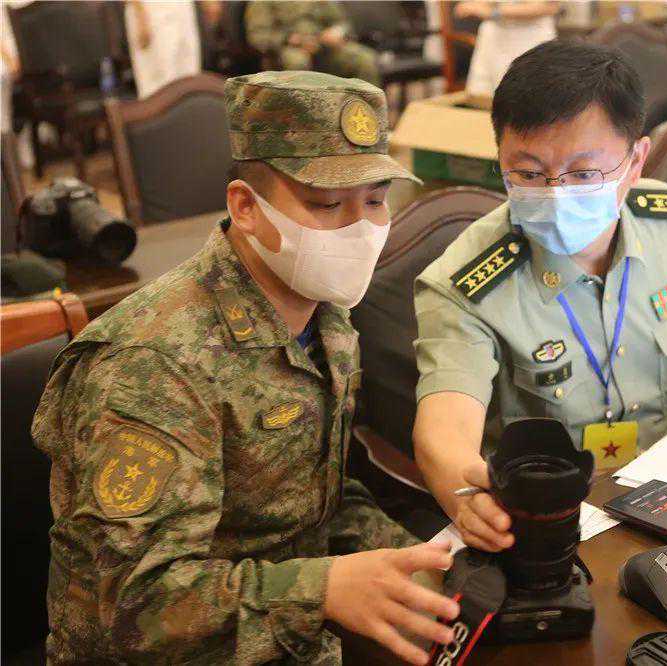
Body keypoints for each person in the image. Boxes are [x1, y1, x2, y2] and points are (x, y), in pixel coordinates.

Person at [32, 71, 458, 665]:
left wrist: (430, 564)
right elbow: (134, 608)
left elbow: (314, 503)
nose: (360, 229)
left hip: (286, 636)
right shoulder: (152, 365)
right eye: (327, 204)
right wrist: (322, 590)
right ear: (246, 207)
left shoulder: (326, 316)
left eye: (375, 199)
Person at [411, 41, 667, 553]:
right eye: (528, 173)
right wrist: (467, 498)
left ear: (635, 161)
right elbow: (444, 428)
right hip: (557, 519)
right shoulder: (466, 283)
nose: (555, 193)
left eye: (583, 174)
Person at [244, 1, 380, 85]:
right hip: (289, 48)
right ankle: (302, 118)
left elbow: (341, 22)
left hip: (323, 46)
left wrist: (337, 31)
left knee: (364, 58)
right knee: (297, 62)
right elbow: (258, 36)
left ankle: (366, 113)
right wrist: (290, 39)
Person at [455, 0, 559, 99]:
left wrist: (493, 12)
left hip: (528, 39)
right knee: (480, 96)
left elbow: (549, 7)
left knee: (525, 97)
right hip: (492, 38)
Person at [124, 0, 202, 98]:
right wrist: (140, 16)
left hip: (183, 9)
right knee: (159, 87)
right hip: (151, 11)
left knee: (189, 79)